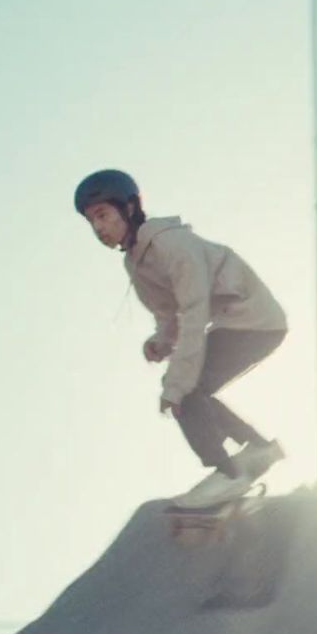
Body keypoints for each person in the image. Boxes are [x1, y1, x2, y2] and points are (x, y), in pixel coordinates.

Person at [74, 169, 288, 508]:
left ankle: (227, 475)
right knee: (190, 387)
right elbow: (168, 313)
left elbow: (193, 311)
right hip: (237, 322)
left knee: (185, 387)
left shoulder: (171, 244)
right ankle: (257, 449)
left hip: (255, 319)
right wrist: (161, 341)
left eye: (103, 215)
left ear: (129, 209)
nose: (98, 228)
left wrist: (176, 384)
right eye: (91, 222)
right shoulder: (135, 263)